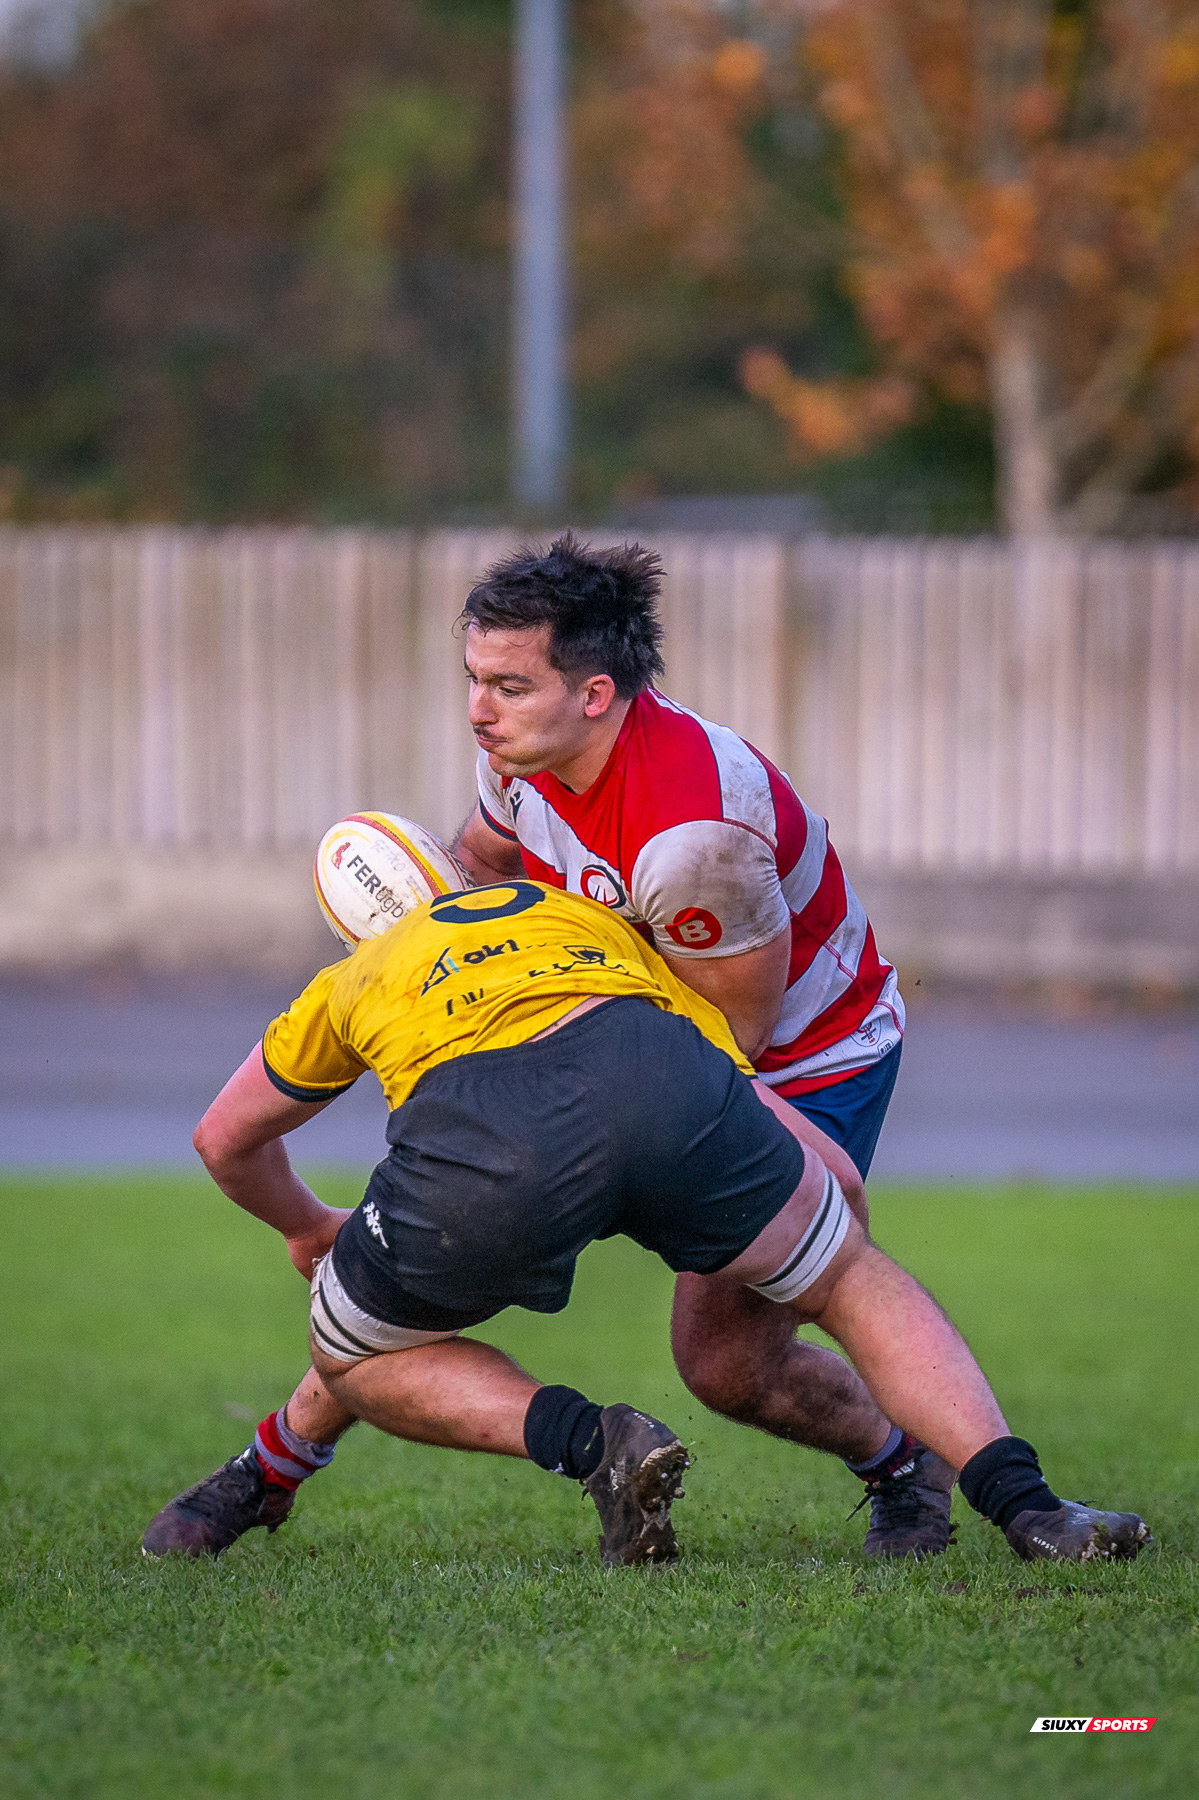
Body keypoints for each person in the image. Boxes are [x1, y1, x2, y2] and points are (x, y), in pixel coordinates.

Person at [143, 879, 1150, 1569]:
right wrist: (824, 1197)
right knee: (841, 1276)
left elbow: (223, 1137)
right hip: (658, 1076)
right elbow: (710, 1060)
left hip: (494, 1138)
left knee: (352, 1345)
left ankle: (594, 1443)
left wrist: (311, 1227)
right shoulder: (576, 913)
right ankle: (1030, 1508)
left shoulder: (359, 974)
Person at [279, 532, 943, 1555]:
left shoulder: (692, 835)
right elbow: (480, 871)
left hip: (794, 1062)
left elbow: (729, 1035)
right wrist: (426, 925)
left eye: (506, 683)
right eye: (472, 680)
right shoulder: (521, 762)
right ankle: (270, 1468)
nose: (476, 709)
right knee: (418, 1260)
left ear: (592, 693)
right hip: (618, 1053)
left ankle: (907, 1467)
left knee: (724, 1364)